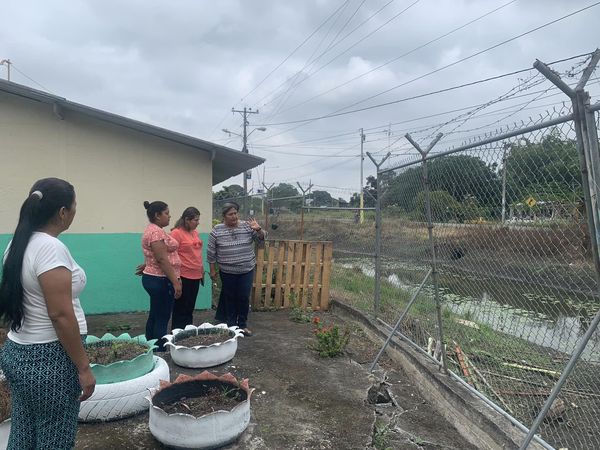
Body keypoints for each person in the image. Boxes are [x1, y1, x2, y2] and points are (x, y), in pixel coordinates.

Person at [0, 178, 95, 449]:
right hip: (50, 360)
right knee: (55, 439)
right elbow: (60, 315)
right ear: (63, 212)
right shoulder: (50, 248)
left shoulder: (17, 244)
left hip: (18, 353)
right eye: (74, 206)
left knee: (23, 433)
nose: (75, 211)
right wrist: (84, 367)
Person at [207, 202, 265, 336]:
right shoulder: (217, 230)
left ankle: (242, 325)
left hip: (246, 270)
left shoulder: (247, 226)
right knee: (230, 298)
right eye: (230, 214)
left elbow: (261, 243)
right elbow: (211, 252)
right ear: (224, 216)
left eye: (235, 213)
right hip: (227, 271)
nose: (234, 216)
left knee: (243, 297)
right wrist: (212, 270)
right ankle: (232, 326)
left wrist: (258, 230)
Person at [141, 201, 182, 351]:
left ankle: (150, 348)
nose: (169, 216)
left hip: (155, 278)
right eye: (166, 213)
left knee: (155, 314)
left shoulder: (153, 230)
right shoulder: (156, 232)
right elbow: (162, 259)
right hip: (161, 280)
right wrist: (175, 282)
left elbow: (154, 256)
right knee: (162, 317)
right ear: (157, 215)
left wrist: (147, 265)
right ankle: (160, 351)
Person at [170, 207, 204, 330]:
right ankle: (177, 333)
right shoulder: (176, 233)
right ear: (187, 220)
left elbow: (197, 253)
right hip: (183, 275)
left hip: (196, 275)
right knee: (181, 308)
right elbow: (171, 255)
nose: (198, 223)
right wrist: (176, 278)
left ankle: (188, 332)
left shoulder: (195, 233)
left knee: (190, 307)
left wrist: (201, 270)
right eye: (195, 220)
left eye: (198, 220)